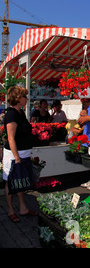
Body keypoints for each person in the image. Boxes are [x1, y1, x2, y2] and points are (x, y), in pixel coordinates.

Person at [2, 86, 38, 223]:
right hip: (13, 155)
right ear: (18, 99)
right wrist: (16, 157)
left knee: (20, 180)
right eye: (24, 96)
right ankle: (11, 210)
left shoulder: (20, 113)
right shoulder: (11, 114)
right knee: (11, 181)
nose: (27, 99)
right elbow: (11, 138)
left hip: (22, 153)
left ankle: (23, 208)